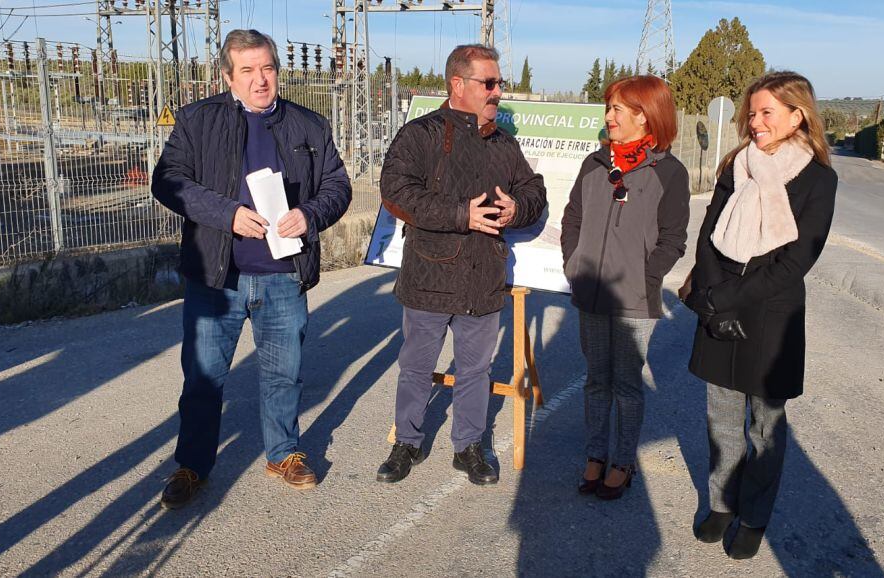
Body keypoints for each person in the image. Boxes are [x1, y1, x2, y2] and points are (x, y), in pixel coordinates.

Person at [151, 29, 352, 509]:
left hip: (283, 275)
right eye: (248, 70)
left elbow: (338, 186)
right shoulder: (197, 121)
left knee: (284, 373)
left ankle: (283, 452)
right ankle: (192, 464)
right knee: (203, 378)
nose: (260, 80)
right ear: (227, 76)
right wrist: (227, 214)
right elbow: (168, 181)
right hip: (216, 278)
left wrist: (311, 214)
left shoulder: (308, 125)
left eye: (267, 68)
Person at [376, 44, 547, 486]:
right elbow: (395, 190)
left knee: (475, 369)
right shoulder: (421, 134)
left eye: (498, 84)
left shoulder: (504, 145)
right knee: (416, 366)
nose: (497, 92)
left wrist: (518, 209)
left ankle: (469, 445)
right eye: (488, 83)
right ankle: (407, 442)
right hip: (430, 275)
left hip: (483, 277)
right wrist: (459, 215)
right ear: (458, 85)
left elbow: (535, 191)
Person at [683, 71, 838, 558]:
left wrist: (725, 300)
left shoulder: (818, 179)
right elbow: (709, 233)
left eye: (766, 112)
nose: (755, 122)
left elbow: (796, 262)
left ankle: (754, 515)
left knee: (765, 427)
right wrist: (708, 293)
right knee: (722, 419)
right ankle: (723, 503)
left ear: (798, 116)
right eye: (752, 112)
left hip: (771, 317)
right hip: (719, 303)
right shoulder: (736, 165)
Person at [561, 75, 691, 500]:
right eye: (609, 108)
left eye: (618, 108)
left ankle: (622, 462)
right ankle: (595, 456)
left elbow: (673, 238)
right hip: (590, 293)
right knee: (596, 380)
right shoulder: (595, 164)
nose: (608, 116)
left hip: (635, 299)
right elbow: (572, 220)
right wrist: (573, 264)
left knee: (627, 384)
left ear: (644, 114)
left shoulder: (669, 172)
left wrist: (647, 277)